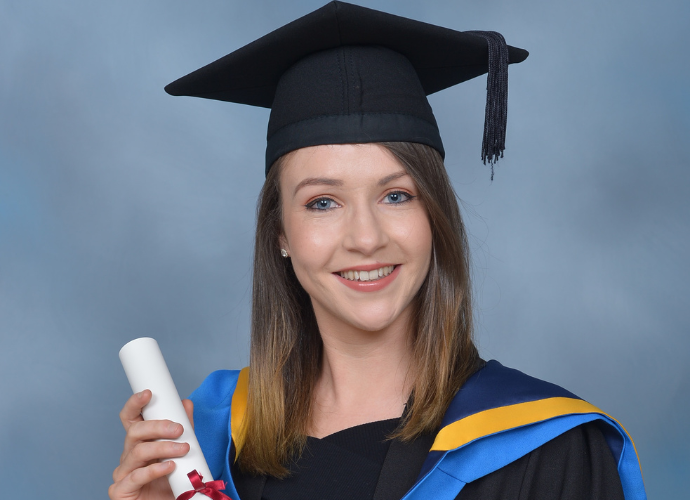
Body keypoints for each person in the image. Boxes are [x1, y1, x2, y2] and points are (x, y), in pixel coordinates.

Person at [109, 2, 646, 500]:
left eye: (396, 195)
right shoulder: (208, 443)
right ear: (280, 235)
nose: (365, 238)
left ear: (434, 217)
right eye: (323, 202)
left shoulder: (546, 452)